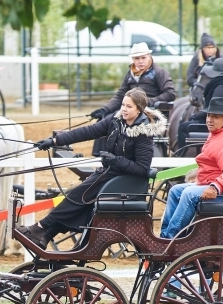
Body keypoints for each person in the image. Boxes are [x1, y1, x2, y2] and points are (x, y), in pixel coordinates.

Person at [20, 88, 167, 249]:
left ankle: (39, 228)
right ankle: (45, 235)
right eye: (123, 105)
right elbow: (88, 131)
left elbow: (142, 168)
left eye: (129, 106)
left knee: (76, 196)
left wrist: (116, 160)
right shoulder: (115, 120)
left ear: (139, 109)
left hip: (127, 182)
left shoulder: (144, 133)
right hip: (110, 174)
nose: (124, 109)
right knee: (78, 199)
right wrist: (55, 141)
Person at [160, 97, 223, 239]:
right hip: (216, 186)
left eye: (215, 116)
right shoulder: (218, 133)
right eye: (208, 115)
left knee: (189, 194)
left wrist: (215, 187)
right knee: (175, 191)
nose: (209, 120)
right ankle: (164, 236)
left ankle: (171, 238)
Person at [88, 42, 175, 156]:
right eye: (137, 58)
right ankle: (101, 154)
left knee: (115, 121)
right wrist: (105, 109)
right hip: (131, 108)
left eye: (143, 57)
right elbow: (120, 96)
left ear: (149, 56)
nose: (140, 61)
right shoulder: (130, 74)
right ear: (133, 59)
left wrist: (147, 102)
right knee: (105, 119)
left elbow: (170, 93)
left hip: (149, 110)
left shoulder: (159, 72)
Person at [177, 58, 223, 151]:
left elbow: (212, 108)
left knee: (183, 127)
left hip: (219, 122)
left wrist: (195, 116)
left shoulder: (222, 86)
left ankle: (181, 155)